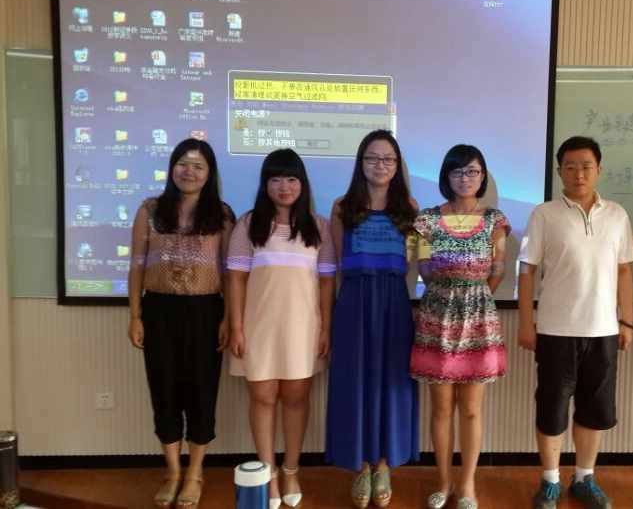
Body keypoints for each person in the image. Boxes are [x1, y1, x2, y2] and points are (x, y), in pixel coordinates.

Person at [520, 136, 633, 509]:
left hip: (603, 330)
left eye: (586, 166)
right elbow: (526, 271)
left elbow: (625, 271)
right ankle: (551, 480)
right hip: (555, 330)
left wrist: (628, 321)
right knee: (552, 409)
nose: (578, 174)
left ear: (599, 169)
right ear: (559, 172)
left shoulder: (617, 215)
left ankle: (585, 477)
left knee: (594, 409)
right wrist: (525, 322)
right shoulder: (544, 214)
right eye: (570, 167)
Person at [127, 138, 235, 508]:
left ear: (209, 174)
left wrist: (229, 318)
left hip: (206, 312)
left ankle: (195, 474)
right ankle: (173, 472)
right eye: (183, 164)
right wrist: (135, 316)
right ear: (172, 168)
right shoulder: (150, 210)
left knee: (202, 393)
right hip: (158, 311)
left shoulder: (221, 214)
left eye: (198, 166)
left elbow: (229, 272)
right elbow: (136, 266)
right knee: (164, 391)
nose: (189, 171)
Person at [227, 148, 335, 509]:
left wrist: (326, 328)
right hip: (257, 327)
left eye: (291, 178)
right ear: (265, 184)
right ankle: (268, 473)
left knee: (296, 399)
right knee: (262, 398)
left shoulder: (318, 227)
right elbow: (236, 280)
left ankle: (291, 470)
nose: (284, 186)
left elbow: (326, 283)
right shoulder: (248, 224)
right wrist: (237, 327)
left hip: (303, 328)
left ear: (302, 183)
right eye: (275, 179)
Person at [410, 144, 509, 509]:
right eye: (458, 171)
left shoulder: (496, 220)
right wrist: (448, 291)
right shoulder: (426, 220)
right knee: (440, 409)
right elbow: (421, 267)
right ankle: (443, 481)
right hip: (437, 318)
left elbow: (498, 270)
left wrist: (473, 294)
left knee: (471, 409)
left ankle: (467, 485)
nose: (465, 178)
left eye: (472, 171)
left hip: (478, 319)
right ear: (446, 176)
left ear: (482, 177)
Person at [325, 130, 420, 508]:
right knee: (356, 381)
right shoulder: (341, 207)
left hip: (394, 303)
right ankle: (361, 465)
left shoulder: (409, 207)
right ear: (360, 163)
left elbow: (415, 262)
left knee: (390, 382)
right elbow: (336, 264)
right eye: (372, 158)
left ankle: (383, 465)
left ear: (397, 166)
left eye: (387, 159)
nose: (380, 165)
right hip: (353, 302)